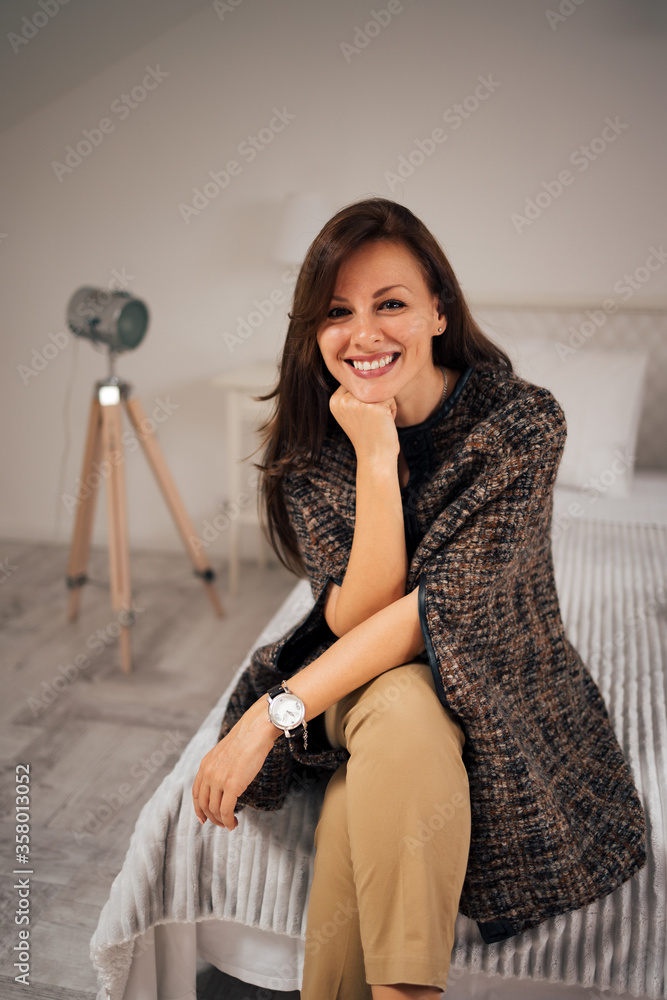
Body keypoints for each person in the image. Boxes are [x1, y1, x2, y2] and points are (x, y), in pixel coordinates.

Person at [192, 198, 646, 999]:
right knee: (399, 701)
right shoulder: (313, 443)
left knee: (389, 736)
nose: (362, 334)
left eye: (389, 304)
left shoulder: (519, 422)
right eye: (337, 312)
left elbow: (440, 613)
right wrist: (373, 456)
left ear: (438, 309)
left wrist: (271, 716)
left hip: (488, 675)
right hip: (345, 676)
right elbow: (358, 619)